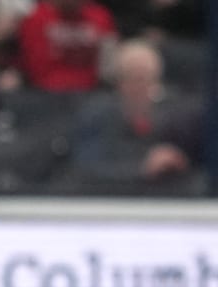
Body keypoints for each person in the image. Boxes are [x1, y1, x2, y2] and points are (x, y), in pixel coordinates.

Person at [70, 38, 193, 188]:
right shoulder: (98, 114)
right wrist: (140, 168)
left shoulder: (174, 114)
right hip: (114, 200)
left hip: (168, 200)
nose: (142, 86)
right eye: (134, 78)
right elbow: (88, 166)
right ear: (119, 82)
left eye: (148, 78)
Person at [15, 0, 114, 92]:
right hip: (46, 92)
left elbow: (107, 66)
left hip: (92, 91)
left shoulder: (100, 17)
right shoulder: (35, 18)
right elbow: (36, 70)